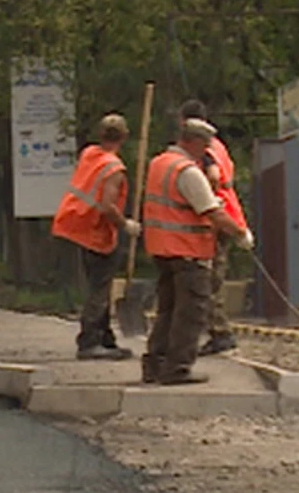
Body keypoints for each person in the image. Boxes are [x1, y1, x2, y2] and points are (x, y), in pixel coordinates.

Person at [140, 118, 251, 386]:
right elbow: (211, 211)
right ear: (194, 142)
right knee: (190, 313)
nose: (207, 152)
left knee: (167, 310)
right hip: (187, 252)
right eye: (205, 146)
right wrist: (239, 234)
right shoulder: (187, 172)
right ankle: (177, 369)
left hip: (162, 249)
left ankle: (155, 364)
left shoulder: (159, 163)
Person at [51, 114, 143, 360]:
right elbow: (107, 206)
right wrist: (126, 225)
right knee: (99, 288)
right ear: (124, 137)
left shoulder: (90, 154)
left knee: (98, 283)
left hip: (76, 223)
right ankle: (90, 341)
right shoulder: (114, 168)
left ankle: (105, 338)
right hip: (95, 230)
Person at [178, 100, 254, 355]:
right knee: (214, 276)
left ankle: (220, 332)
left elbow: (212, 176)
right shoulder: (219, 145)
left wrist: (203, 199)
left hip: (219, 217)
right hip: (228, 212)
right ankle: (218, 330)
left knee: (211, 278)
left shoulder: (206, 150)